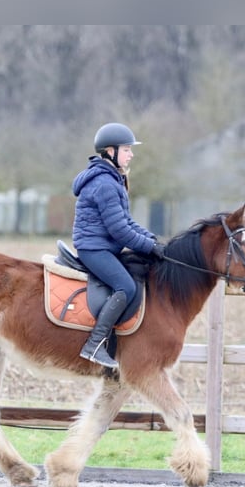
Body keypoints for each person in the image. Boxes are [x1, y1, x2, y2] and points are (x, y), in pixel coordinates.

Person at [71, 122, 165, 368]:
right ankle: (94, 345)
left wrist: (152, 240)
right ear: (109, 152)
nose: (131, 154)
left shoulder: (113, 180)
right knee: (125, 286)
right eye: (126, 149)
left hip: (103, 246)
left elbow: (127, 222)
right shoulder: (105, 183)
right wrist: (147, 247)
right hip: (94, 248)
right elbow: (119, 231)